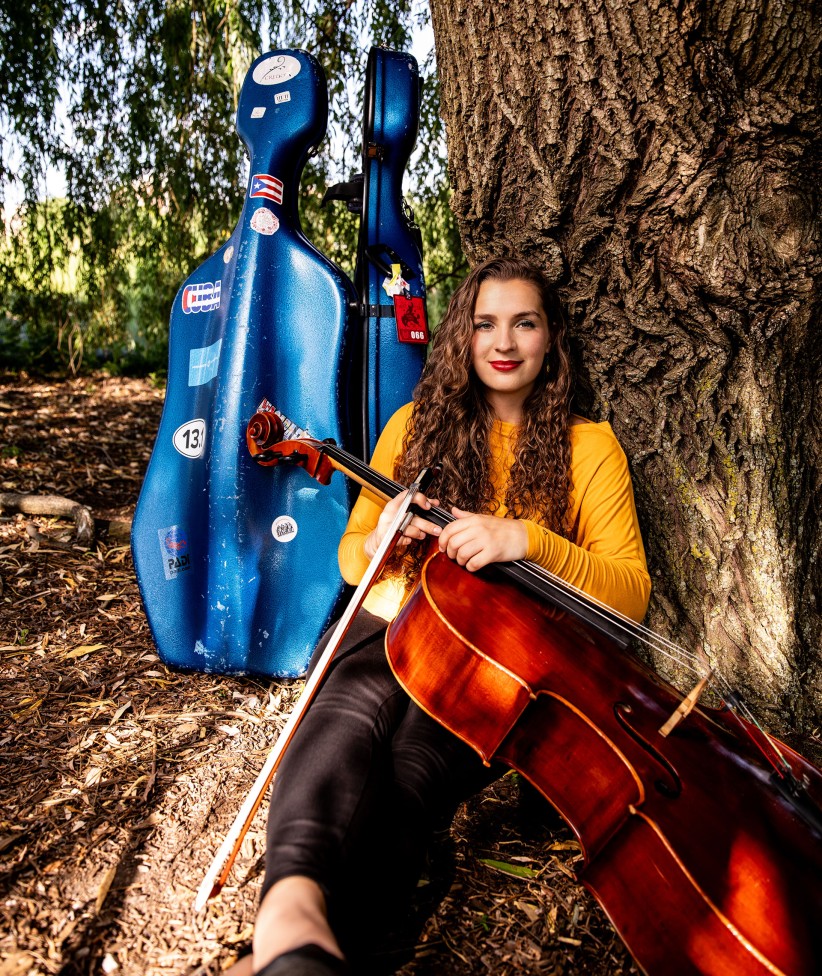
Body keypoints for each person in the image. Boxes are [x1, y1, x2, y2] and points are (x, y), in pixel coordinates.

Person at [237, 256, 651, 976]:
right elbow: (349, 556)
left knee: (412, 770)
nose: (505, 341)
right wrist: (384, 540)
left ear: (550, 340)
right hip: (401, 618)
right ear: (462, 335)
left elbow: (629, 594)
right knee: (348, 710)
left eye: (525, 323)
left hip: (503, 661)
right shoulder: (412, 426)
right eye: (486, 323)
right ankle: (291, 910)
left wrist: (526, 540)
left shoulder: (592, 449)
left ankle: (302, 950)